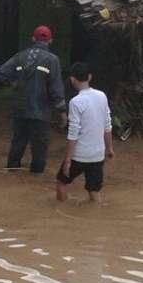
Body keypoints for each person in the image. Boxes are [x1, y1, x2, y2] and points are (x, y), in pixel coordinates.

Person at [0, 25, 66, 174]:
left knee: (18, 142)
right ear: (50, 40)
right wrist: (62, 112)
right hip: (41, 112)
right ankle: (36, 176)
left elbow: (2, 72)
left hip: (20, 109)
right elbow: (56, 88)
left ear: (33, 39)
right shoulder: (52, 60)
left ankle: (12, 171)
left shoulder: (20, 56)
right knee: (40, 146)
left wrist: (14, 84)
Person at [56, 62, 114, 204]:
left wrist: (68, 160)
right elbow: (107, 125)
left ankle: (61, 212)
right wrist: (109, 148)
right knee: (94, 191)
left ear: (72, 79)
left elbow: (73, 133)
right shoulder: (102, 96)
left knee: (61, 183)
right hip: (98, 154)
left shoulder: (76, 102)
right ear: (89, 77)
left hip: (79, 155)